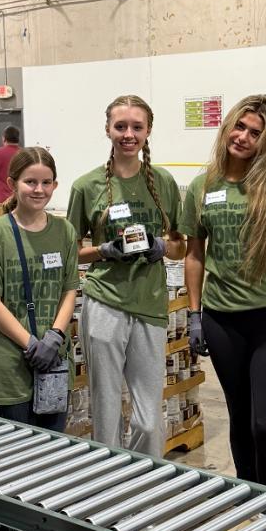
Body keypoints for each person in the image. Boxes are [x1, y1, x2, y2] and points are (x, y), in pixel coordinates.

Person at [0, 146, 80, 531]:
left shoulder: (64, 231)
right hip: (12, 365)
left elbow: (70, 287)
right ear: (12, 184)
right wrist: (28, 342)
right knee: (17, 459)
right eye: (30, 181)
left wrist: (55, 336)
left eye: (46, 182)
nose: (38, 189)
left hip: (53, 364)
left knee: (52, 454)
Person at [181, 95, 266, 488]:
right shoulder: (203, 186)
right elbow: (194, 254)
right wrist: (194, 314)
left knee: (264, 423)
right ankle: (248, 495)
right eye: (240, 126)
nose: (244, 137)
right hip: (221, 321)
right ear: (227, 126)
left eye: (255, 133)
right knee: (239, 416)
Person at [67, 95, 183, 458]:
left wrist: (161, 247)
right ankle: (109, 479)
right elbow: (72, 252)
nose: (128, 134)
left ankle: (143, 477)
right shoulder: (86, 186)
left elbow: (180, 246)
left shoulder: (163, 182)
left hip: (150, 304)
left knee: (149, 421)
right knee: (106, 413)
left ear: (148, 131)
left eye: (136, 127)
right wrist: (104, 250)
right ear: (107, 130)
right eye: (120, 127)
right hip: (105, 302)